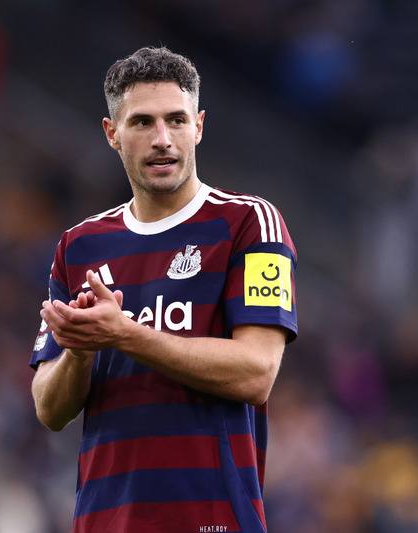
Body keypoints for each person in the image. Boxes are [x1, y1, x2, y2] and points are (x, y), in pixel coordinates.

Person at [30, 46, 298, 533]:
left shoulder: (250, 223)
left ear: (199, 126)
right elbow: (49, 408)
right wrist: (80, 352)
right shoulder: (79, 246)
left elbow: (257, 372)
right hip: (105, 523)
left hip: (211, 521)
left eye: (176, 120)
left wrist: (124, 334)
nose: (162, 139)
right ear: (112, 133)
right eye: (142, 123)